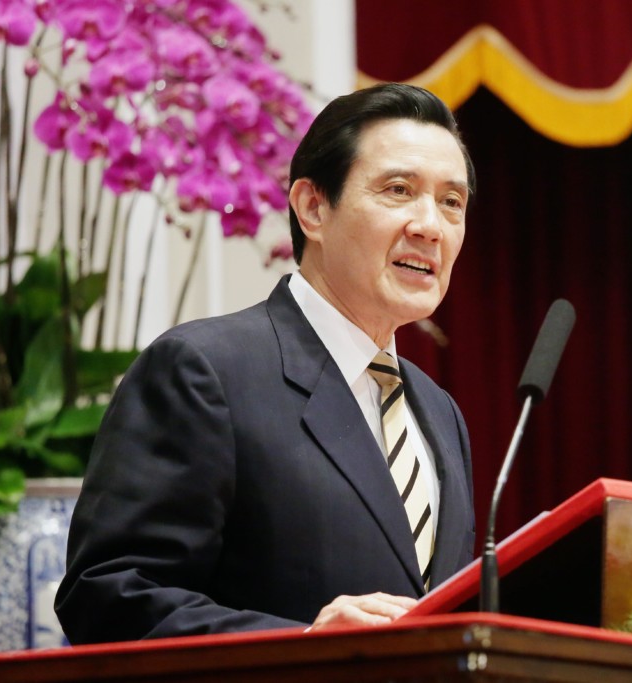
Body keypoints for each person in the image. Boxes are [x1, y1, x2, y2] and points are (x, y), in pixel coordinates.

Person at [54, 83, 477, 643]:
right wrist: (302, 645)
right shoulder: (204, 372)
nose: (430, 226)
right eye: (398, 190)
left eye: (451, 202)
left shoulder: (439, 414)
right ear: (313, 208)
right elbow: (108, 596)